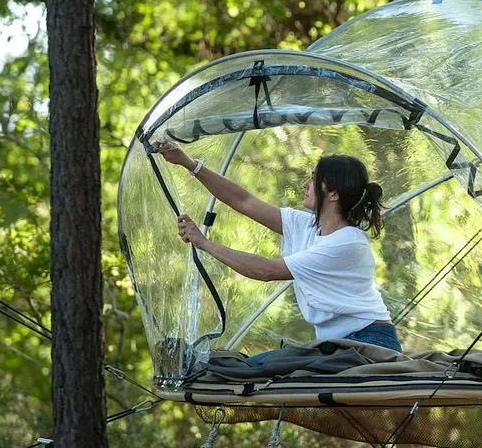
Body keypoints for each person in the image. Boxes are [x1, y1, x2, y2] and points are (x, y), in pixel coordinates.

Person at [157, 139, 403, 353]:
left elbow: (266, 271)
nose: (306, 184)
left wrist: (204, 243)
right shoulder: (307, 226)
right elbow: (244, 201)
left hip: (370, 343)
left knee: (266, 372)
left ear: (334, 194)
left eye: (315, 179)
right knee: (263, 369)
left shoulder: (348, 242)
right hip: (337, 346)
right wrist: (188, 163)